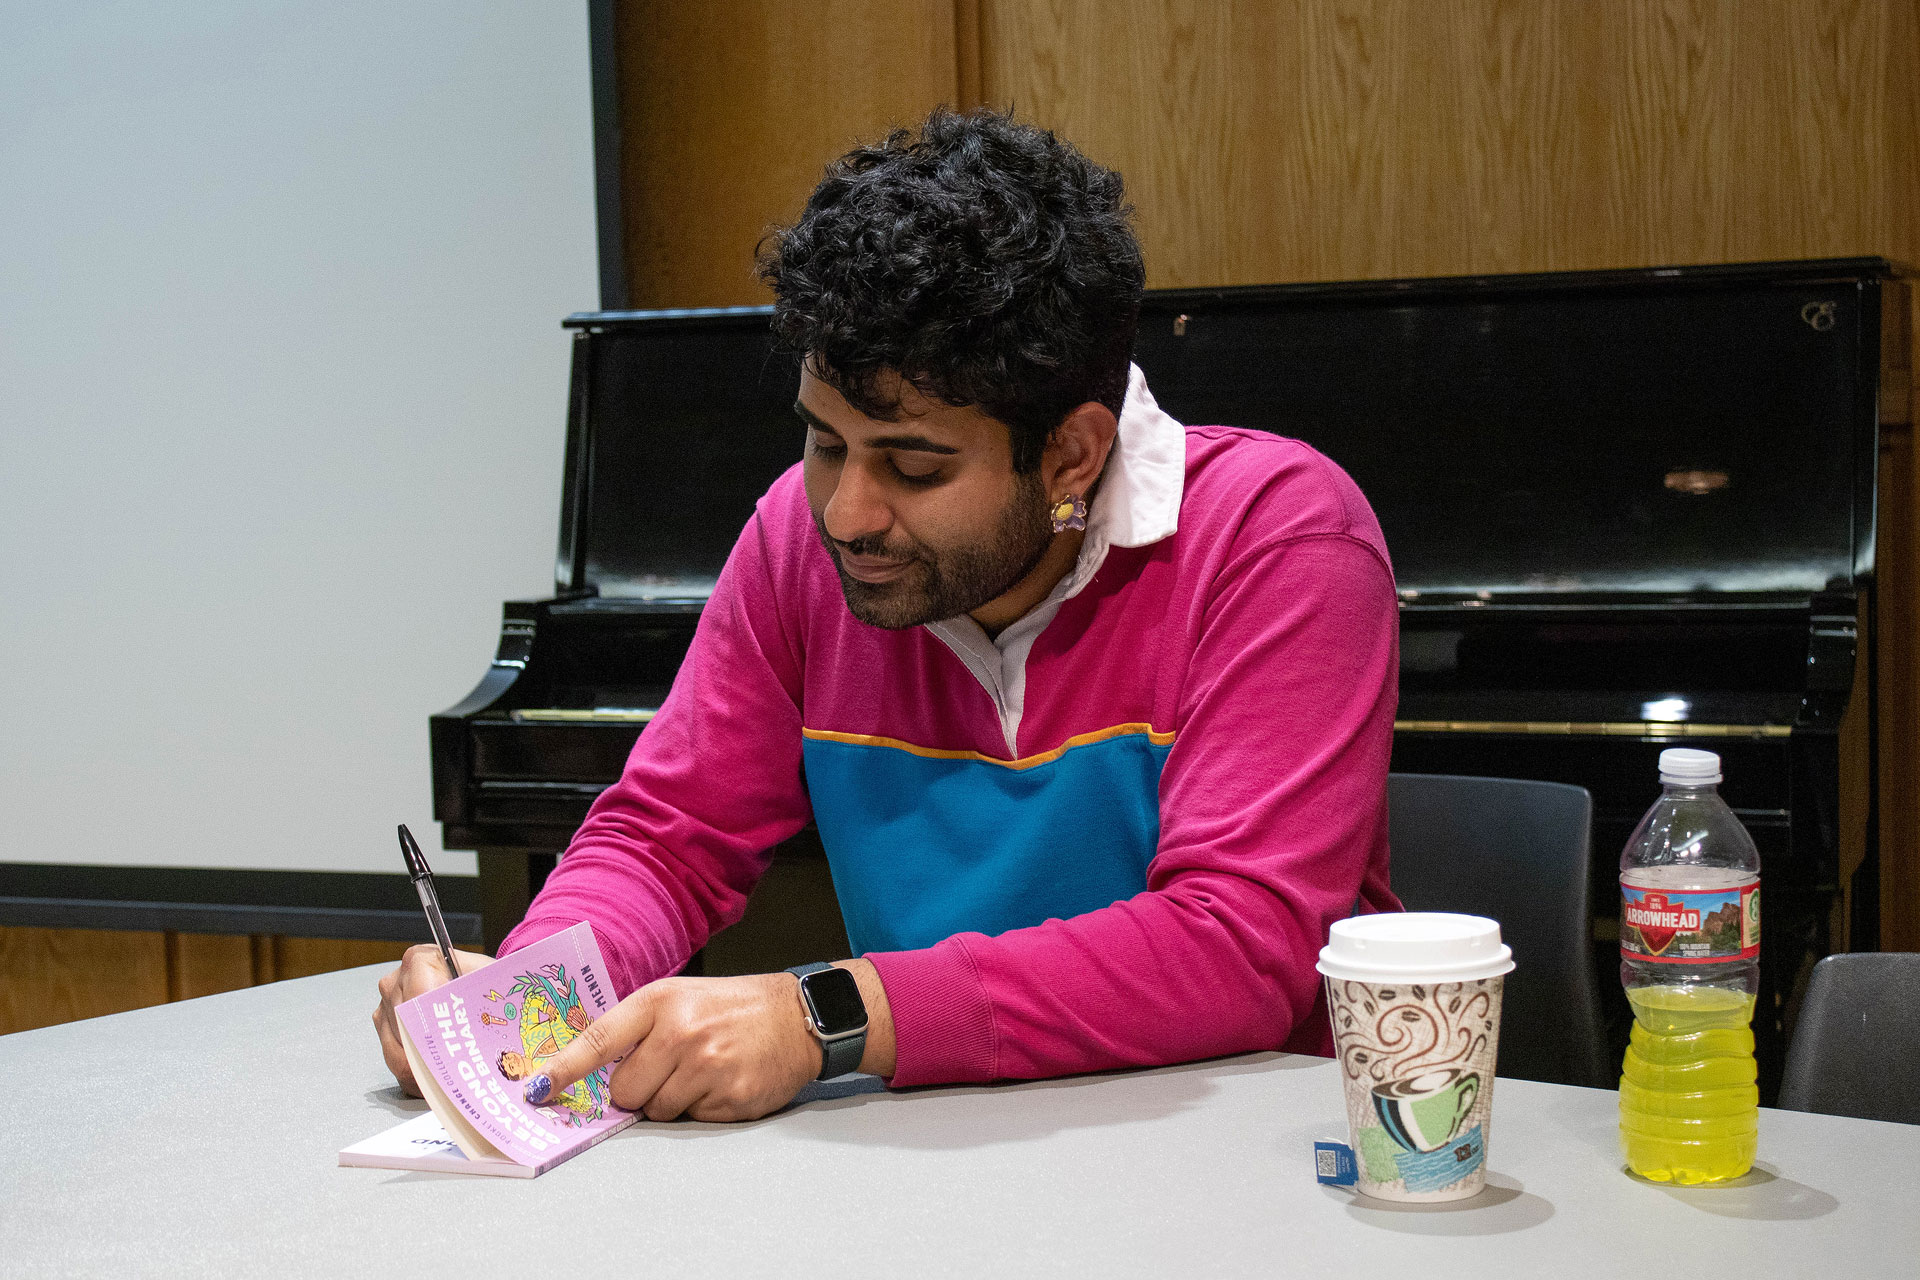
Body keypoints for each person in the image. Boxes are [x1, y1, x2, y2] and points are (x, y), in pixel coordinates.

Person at [373, 107, 1400, 1122]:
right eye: (824, 443)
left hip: (1236, 1153)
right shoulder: (795, 539)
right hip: (936, 1147)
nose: (849, 514)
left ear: (1072, 457)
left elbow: (1238, 945)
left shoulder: (1278, 537)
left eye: (913, 464)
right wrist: (521, 1005)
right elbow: (667, 839)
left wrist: (829, 1013)